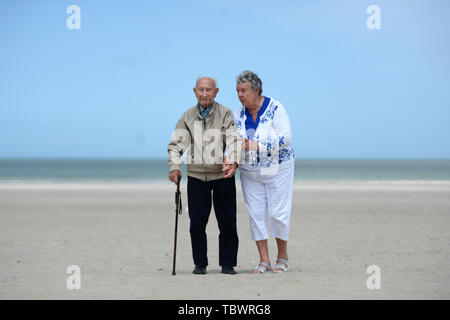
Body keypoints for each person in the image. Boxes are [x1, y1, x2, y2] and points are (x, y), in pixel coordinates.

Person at [168, 76, 240, 275]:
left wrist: (233, 161)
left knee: (227, 222)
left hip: (222, 176)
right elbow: (176, 145)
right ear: (194, 91)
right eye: (201, 89)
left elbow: (233, 139)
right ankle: (200, 264)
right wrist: (174, 167)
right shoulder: (187, 116)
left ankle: (227, 265)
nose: (205, 93)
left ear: (216, 92)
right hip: (196, 177)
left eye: (209, 90)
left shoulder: (225, 113)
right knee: (196, 224)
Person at [234, 70, 295, 274]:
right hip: (249, 172)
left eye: (244, 91)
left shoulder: (276, 108)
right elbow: (233, 142)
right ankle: (264, 260)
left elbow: (286, 138)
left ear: (256, 90)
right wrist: (230, 160)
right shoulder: (238, 114)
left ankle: (282, 257)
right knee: (256, 214)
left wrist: (257, 144)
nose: (240, 95)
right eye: (238, 91)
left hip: (278, 170)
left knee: (278, 213)